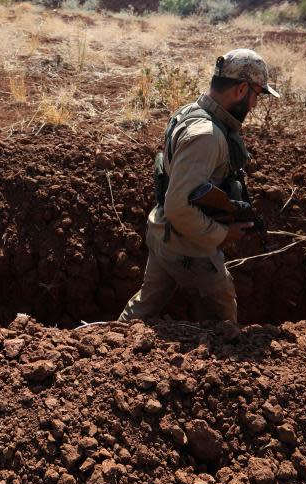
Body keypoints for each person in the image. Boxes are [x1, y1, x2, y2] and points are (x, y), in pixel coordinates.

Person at [119, 49, 280, 324]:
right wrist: (222, 234)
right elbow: (180, 206)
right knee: (224, 322)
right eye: (256, 95)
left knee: (140, 312)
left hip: (163, 232)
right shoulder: (207, 136)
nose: (254, 105)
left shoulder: (191, 111)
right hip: (188, 245)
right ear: (242, 89)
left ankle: (110, 348)